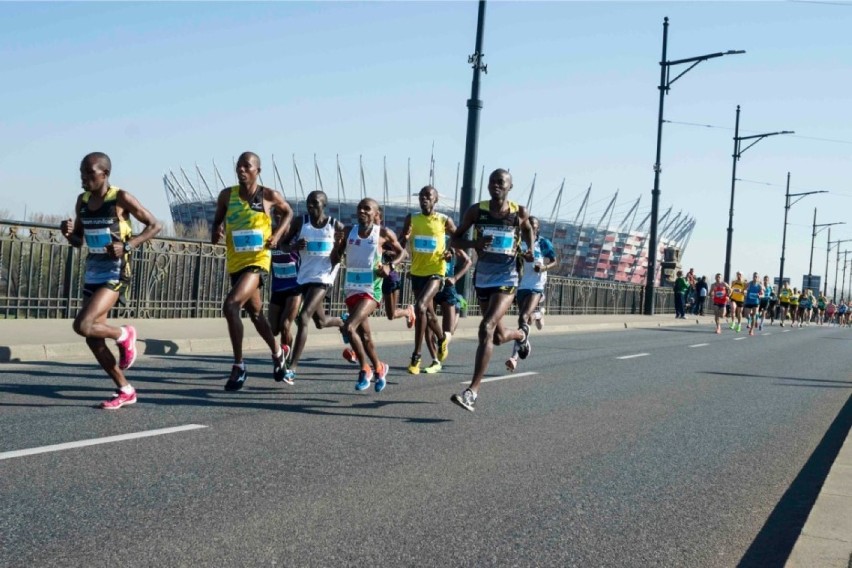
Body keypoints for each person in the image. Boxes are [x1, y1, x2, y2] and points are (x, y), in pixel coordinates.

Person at [60, 152, 162, 409]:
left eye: (89, 173)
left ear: (104, 174)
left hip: (116, 271)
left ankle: (124, 334)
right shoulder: (82, 201)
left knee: (83, 325)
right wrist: (68, 234)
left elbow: (154, 225)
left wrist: (128, 245)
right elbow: (78, 241)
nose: (83, 178)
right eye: (82, 172)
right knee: (92, 337)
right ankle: (125, 389)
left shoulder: (120, 198)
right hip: (93, 271)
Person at [450, 169, 534, 412]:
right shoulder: (477, 210)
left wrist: (529, 248)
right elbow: (455, 240)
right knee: (496, 337)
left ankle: (472, 392)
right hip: (483, 277)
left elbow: (528, 229)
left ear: (510, 187)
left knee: (485, 327)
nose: (495, 186)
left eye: (500, 182)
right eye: (492, 182)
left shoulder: (518, 211)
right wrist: (474, 243)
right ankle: (520, 335)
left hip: (508, 276)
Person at [211, 152, 292, 391]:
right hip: (236, 261)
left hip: (258, 260)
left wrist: (277, 235)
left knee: (230, 305)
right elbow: (217, 222)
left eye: (247, 166)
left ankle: (239, 365)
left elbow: (287, 212)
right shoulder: (227, 195)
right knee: (256, 314)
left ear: (258, 170)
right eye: (239, 166)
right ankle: (278, 355)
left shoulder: (268, 196)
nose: (241, 170)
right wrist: (216, 231)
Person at [335, 198, 405, 392]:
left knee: (349, 327)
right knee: (364, 337)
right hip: (351, 288)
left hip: (371, 290)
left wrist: (389, 266)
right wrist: (337, 244)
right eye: (360, 208)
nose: (362, 211)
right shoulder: (349, 231)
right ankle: (380, 367)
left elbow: (403, 253)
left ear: (376, 215)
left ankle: (365, 369)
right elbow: (335, 258)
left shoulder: (382, 233)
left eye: (367, 209)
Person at [281, 190, 346, 382]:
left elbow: (347, 246)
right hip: (304, 276)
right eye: (309, 203)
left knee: (303, 317)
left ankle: (292, 367)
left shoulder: (335, 225)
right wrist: (293, 247)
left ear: (324, 205)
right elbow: (283, 244)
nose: (311, 206)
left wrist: (339, 248)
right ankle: (344, 322)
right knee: (321, 322)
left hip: (324, 277)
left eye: (315, 203)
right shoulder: (301, 222)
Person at [399, 186, 457, 375]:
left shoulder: (443, 220)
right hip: (417, 271)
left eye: (428, 196)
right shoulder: (412, 218)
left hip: (436, 272)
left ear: (435, 200)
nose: (424, 199)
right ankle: (441, 340)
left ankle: (416, 356)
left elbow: (458, 237)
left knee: (420, 306)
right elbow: (401, 241)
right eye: (422, 196)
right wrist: (403, 239)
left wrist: (452, 251)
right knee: (429, 315)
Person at [506, 216, 558, 372]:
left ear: (538, 229)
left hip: (537, 285)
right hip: (522, 286)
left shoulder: (543, 243)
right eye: (529, 226)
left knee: (523, 317)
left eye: (534, 226)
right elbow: (514, 265)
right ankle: (538, 316)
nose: (532, 228)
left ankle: (514, 358)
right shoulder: (520, 243)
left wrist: (543, 268)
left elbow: (555, 261)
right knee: (524, 321)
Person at [423, 241, 471, 374]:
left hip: (447, 286)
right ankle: (435, 361)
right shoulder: (430, 238)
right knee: (428, 325)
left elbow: (468, 261)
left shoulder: (451, 241)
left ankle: (457, 309)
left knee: (447, 333)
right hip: (430, 285)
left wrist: (455, 278)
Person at [268, 241, 301, 367]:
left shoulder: (296, 235)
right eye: (275, 218)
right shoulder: (271, 237)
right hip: (277, 288)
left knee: (285, 325)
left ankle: (286, 360)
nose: (277, 219)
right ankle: (281, 353)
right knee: (273, 330)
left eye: (281, 219)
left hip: (295, 288)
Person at [743, 272, 764, 336]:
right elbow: (743, 290)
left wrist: (760, 296)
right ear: (753, 277)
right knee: (747, 314)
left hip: (755, 302)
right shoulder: (749, 284)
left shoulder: (759, 285)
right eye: (754, 276)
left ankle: (751, 329)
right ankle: (751, 320)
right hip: (748, 301)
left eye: (756, 277)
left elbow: (763, 294)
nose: (755, 278)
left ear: (758, 278)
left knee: (754, 315)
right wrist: (745, 292)